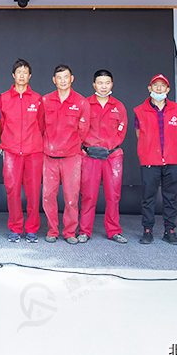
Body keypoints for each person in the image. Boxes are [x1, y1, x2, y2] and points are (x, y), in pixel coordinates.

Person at [133, 74, 177, 245]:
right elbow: (139, 135)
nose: (159, 88)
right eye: (155, 85)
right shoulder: (139, 110)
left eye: (163, 85)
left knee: (170, 198)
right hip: (150, 159)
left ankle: (170, 231)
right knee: (148, 198)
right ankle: (147, 230)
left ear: (168, 89)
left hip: (173, 159)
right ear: (150, 88)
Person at [78, 69, 128, 244]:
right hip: (90, 156)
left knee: (113, 195)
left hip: (112, 156)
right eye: (100, 83)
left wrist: (110, 147)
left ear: (112, 84)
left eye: (107, 83)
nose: (104, 86)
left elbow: (122, 130)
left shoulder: (119, 106)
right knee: (88, 195)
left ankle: (114, 230)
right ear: (94, 85)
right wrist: (86, 148)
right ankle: (84, 231)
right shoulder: (85, 104)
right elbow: (79, 128)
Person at [42, 65, 90, 244]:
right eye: (59, 77)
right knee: (48, 196)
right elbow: (40, 126)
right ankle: (52, 230)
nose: (63, 81)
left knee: (71, 197)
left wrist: (73, 145)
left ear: (72, 79)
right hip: (49, 156)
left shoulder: (81, 102)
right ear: (54, 80)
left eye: (66, 77)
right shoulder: (46, 100)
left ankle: (70, 232)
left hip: (72, 156)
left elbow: (84, 130)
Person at [0, 59, 44, 243]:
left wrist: (31, 141)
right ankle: (15, 228)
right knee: (13, 191)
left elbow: (41, 124)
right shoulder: (4, 98)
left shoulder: (37, 99)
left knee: (33, 192)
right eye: (19, 72)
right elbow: (1, 125)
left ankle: (32, 229)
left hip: (33, 151)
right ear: (13, 75)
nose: (22, 75)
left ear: (30, 76)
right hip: (11, 151)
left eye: (25, 72)